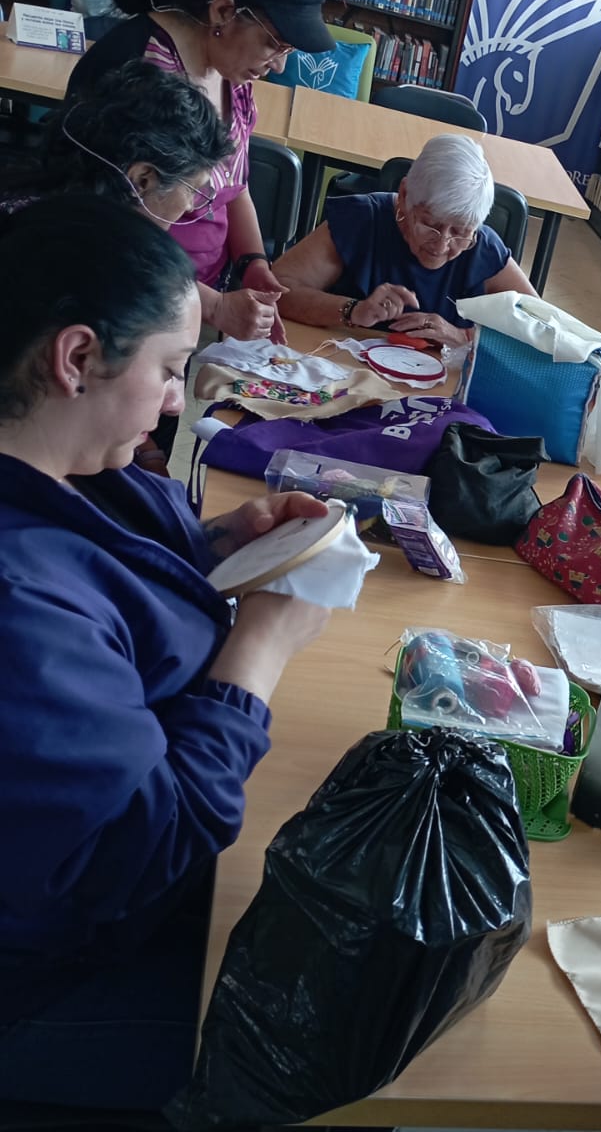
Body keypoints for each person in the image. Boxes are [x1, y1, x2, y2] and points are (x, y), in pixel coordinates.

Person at [0, 196, 331, 1110]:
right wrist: (260, 649)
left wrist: (217, 550)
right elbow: (152, 847)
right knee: (321, 1048)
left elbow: (106, 585)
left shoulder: (70, 476)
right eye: (172, 369)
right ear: (75, 358)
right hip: (60, 968)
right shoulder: (19, 600)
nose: (179, 399)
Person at [68, 0, 336, 344]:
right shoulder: (136, 79)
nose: (280, 66)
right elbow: (110, 242)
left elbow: (235, 185)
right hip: (122, 305)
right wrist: (213, 306)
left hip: (185, 298)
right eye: (275, 44)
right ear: (224, 11)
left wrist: (253, 263)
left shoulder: (232, 72)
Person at [273, 133, 536, 348]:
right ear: (404, 194)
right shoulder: (362, 220)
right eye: (430, 224)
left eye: (460, 232)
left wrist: (461, 337)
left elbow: (545, 331)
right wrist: (353, 310)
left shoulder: (483, 249)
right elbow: (276, 290)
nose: (442, 244)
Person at [0, 60, 233, 227]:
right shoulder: (91, 262)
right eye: (192, 190)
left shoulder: (40, 202)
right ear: (142, 179)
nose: (191, 207)